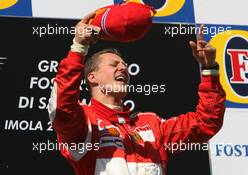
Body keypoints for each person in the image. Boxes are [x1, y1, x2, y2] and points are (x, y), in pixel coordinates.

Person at [48, 12, 226, 175]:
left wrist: (209, 69)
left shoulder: (151, 124)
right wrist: (79, 47)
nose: (123, 68)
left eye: (125, 65)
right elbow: (62, 108)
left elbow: (206, 122)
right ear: (92, 77)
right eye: (114, 65)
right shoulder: (85, 123)